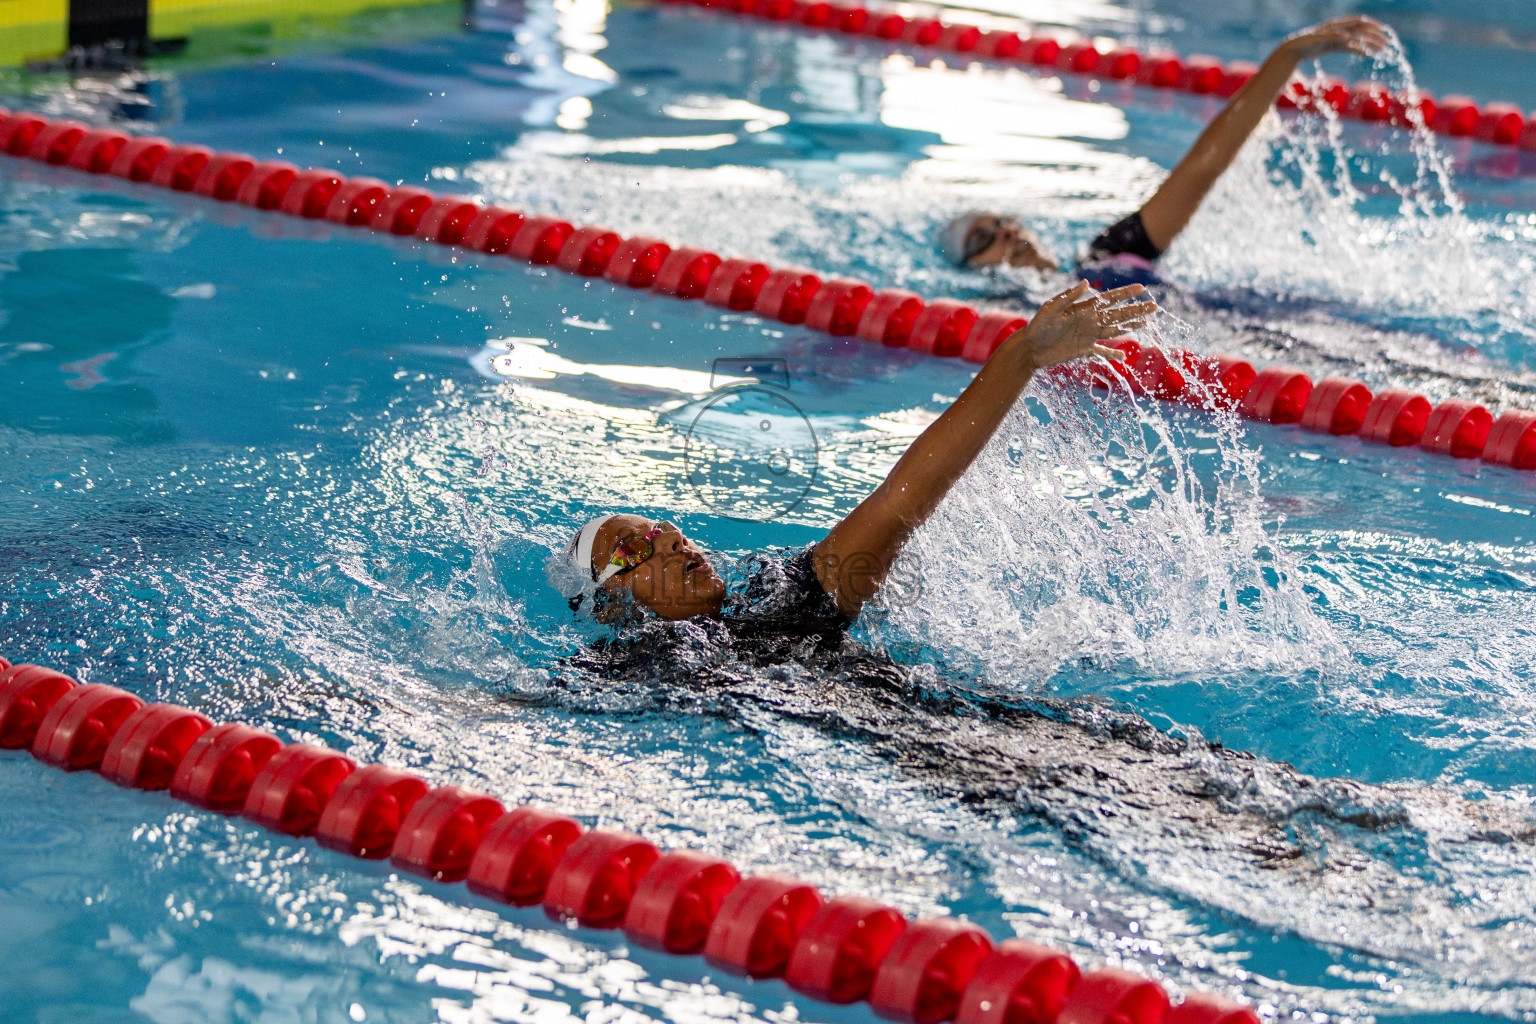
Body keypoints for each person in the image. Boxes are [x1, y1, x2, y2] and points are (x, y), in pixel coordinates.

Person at [559, 280, 1155, 628]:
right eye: (638, 545)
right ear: (612, 599)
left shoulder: (779, 598)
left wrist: (1020, 354)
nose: (672, 539)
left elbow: (900, 503)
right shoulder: (623, 683)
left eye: (667, 528)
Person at [937, 16, 1392, 281]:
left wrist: (1287, 55)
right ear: (973, 269)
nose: (1006, 233)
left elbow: (1199, 172)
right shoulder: (1016, 329)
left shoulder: (1107, 253)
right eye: (983, 238)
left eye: (1004, 221)